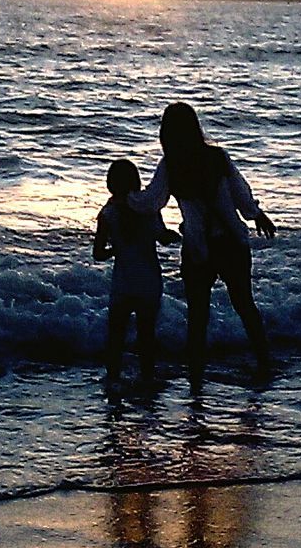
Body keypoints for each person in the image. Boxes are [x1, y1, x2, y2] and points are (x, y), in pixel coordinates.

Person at [130, 102, 276, 381]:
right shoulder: (218, 157)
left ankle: (196, 376)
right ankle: (264, 361)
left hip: (198, 249)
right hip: (232, 242)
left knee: (198, 315)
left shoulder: (171, 165)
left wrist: (125, 198)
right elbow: (241, 194)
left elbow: (152, 201)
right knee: (244, 304)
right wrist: (256, 214)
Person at [94, 158, 180, 382]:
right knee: (146, 335)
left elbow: (98, 254)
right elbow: (163, 238)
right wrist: (177, 234)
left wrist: (117, 250)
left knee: (116, 336)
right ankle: (147, 379)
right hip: (149, 281)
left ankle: (113, 380)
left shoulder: (107, 214)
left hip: (123, 283)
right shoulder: (148, 210)